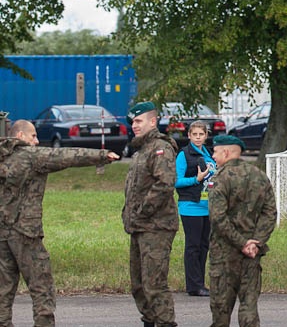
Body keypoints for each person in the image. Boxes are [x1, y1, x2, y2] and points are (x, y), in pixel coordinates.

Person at [0, 120, 119, 327]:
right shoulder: (31, 156)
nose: (36, 141)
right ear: (19, 136)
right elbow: (67, 156)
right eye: (33, 136)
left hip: (2, 233)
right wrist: (101, 155)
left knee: (3, 288)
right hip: (25, 233)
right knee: (41, 286)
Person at [207, 134, 276, 327]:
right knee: (249, 306)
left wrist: (241, 243)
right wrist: (256, 241)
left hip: (224, 253)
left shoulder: (219, 179)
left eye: (215, 151)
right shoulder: (259, 176)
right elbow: (270, 213)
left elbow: (218, 218)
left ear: (226, 152)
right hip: (252, 253)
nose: (213, 155)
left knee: (221, 308)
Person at [123, 101, 179, 327]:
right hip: (139, 226)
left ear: (153, 121)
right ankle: (149, 321)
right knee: (138, 285)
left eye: (139, 121)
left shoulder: (160, 147)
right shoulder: (141, 149)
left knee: (154, 285)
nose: (134, 126)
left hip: (156, 226)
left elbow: (165, 184)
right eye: (133, 122)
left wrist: (142, 211)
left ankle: (166, 323)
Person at [175, 119, 216, 296]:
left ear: (206, 136)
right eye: (195, 135)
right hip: (190, 206)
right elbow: (176, 181)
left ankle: (200, 283)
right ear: (189, 135)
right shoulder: (184, 154)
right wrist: (196, 180)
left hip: (207, 206)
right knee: (193, 246)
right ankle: (193, 285)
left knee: (204, 245)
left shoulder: (209, 154)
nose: (198, 138)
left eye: (201, 134)